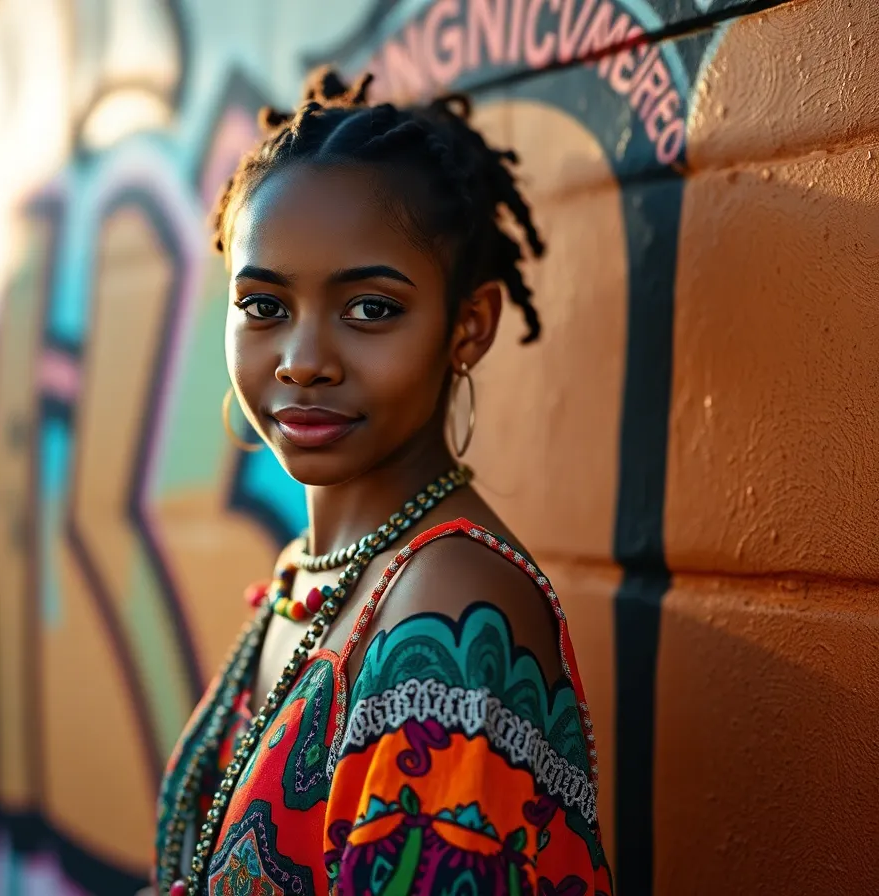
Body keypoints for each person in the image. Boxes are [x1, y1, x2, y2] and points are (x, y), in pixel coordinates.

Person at [148, 68, 613, 896]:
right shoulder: (310, 570)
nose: (303, 361)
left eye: (369, 309)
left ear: (468, 326)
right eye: (263, 306)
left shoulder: (453, 616)